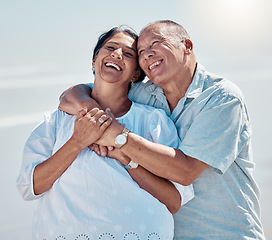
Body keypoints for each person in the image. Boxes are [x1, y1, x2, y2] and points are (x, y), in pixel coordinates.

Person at [59, 20, 266, 239]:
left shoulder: (221, 98)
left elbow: (185, 172)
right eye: (140, 52)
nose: (147, 54)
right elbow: (75, 94)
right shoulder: (144, 95)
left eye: (155, 43)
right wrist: (95, 117)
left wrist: (118, 137)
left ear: (187, 46)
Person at [16, 26, 194, 240]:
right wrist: (77, 142)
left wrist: (125, 158)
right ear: (94, 60)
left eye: (128, 54)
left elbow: (174, 202)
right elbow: (29, 188)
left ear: (136, 73)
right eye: (110, 47)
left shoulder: (153, 121)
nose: (117, 54)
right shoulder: (57, 120)